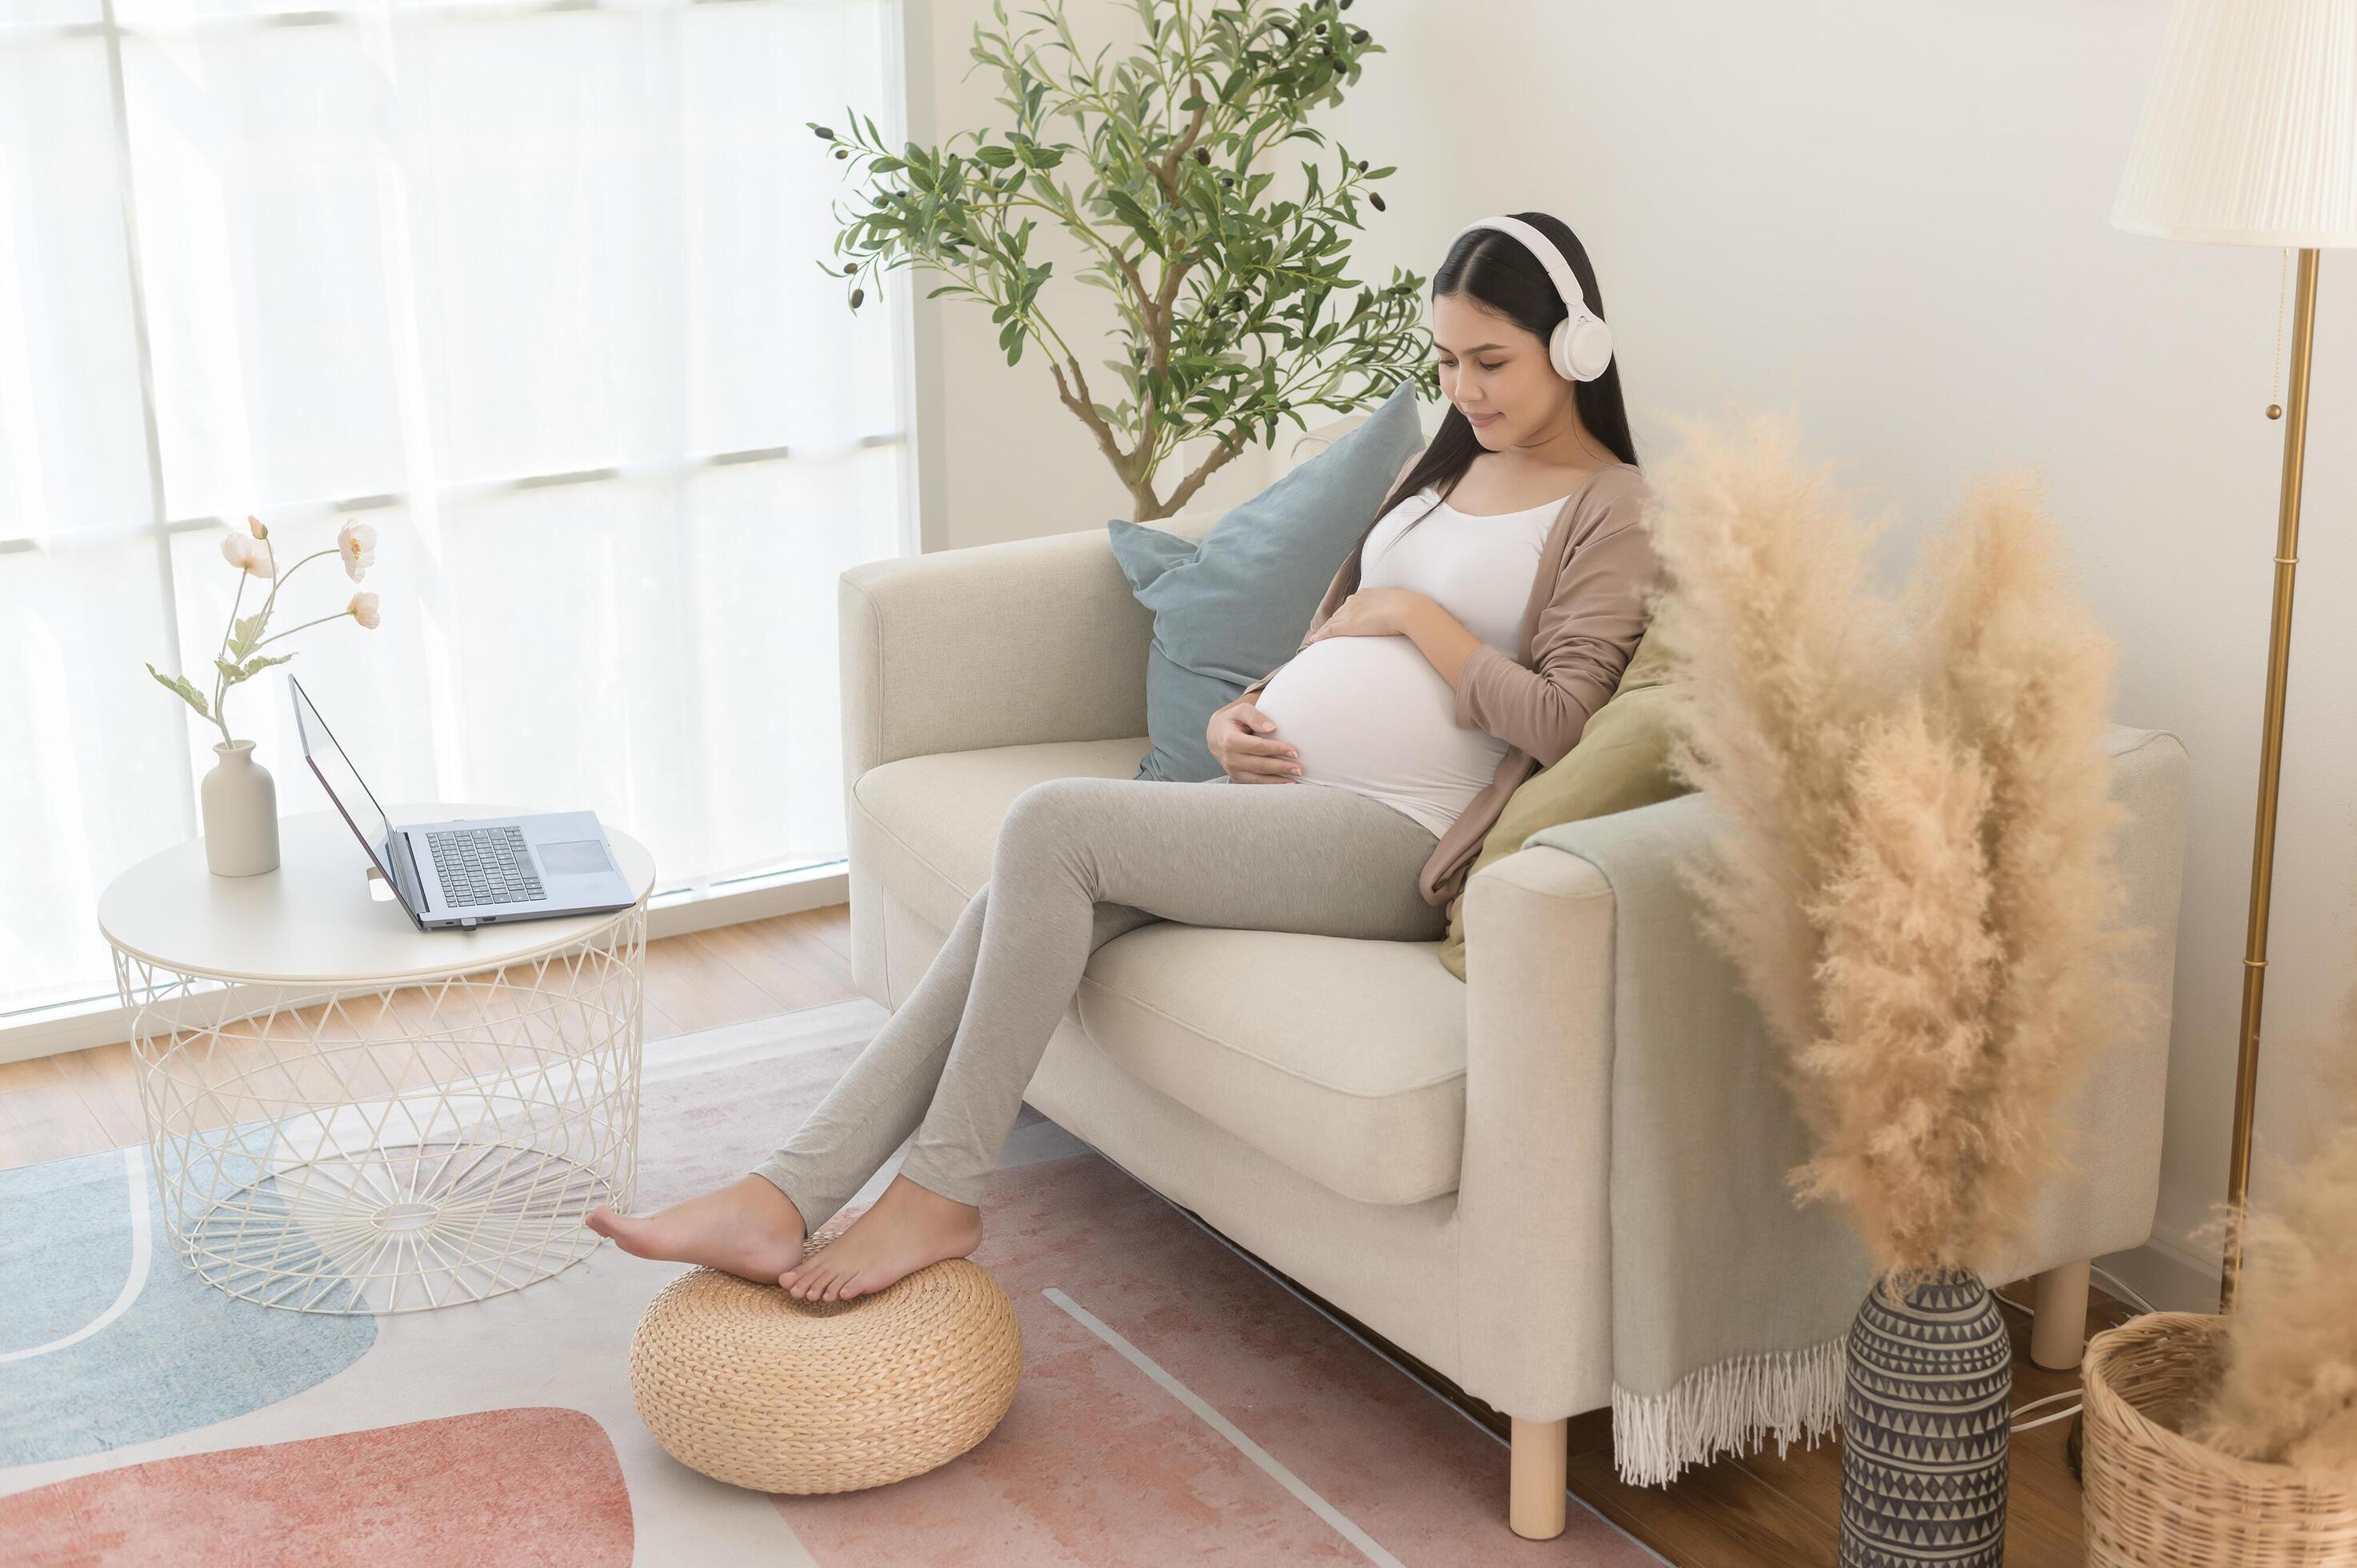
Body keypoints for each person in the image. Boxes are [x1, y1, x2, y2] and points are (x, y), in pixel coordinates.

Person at [585, 210, 1662, 1304]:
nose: (1465, 389)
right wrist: (1237, 719)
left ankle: (939, 1195)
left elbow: (1565, 721)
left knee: (1053, 825)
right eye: (1444, 361)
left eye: (1491, 362)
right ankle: (781, 1197)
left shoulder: (1609, 505)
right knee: (1025, 890)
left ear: (1571, 349)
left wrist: (1418, 621)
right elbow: (1331, 643)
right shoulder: (1443, 469)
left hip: (1403, 835)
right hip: (1297, 799)